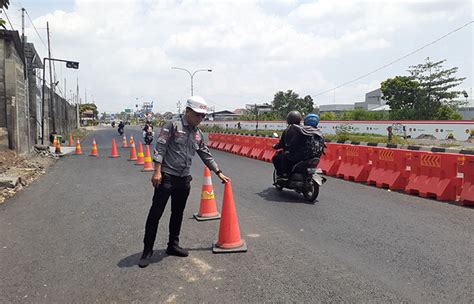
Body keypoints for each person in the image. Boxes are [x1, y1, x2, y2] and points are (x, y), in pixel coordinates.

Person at [139, 96, 230, 268]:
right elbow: (160, 147)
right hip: (166, 176)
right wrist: (156, 171)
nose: (200, 118)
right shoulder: (173, 126)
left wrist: (218, 172)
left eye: (203, 116)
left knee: (178, 213)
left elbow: (205, 153)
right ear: (187, 111)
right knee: (155, 214)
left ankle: (172, 245)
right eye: (197, 115)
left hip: (183, 179)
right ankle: (147, 250)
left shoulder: (197, 133)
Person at [271, 110, 304, 178]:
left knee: (276, 157)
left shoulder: (288, 130)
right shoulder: (305, 129)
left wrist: (275, 146)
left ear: (289, 120)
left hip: (292, 155)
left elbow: (282, 144)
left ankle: (283, 174)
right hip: (304, 155)